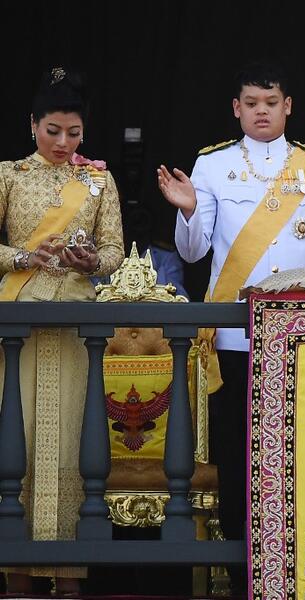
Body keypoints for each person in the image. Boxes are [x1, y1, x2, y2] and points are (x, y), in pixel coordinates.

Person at [157, 59, 305, 595]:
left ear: (288, 106)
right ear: (236, 109)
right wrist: (189, 211)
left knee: (301, 455)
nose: (261, 113)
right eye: (251, 105)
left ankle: (302, 568)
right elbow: (194, 251)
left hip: (298, 340)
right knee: (239, 457)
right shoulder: (212, 166)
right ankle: (244, 574)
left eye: (271, 104)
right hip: (236, 338)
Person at [0, 66, 124, 595]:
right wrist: (25, 255)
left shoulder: (98, 180)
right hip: (17, 319)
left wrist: (89, 259)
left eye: (73, 133)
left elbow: (115, 253)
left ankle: (70, 575)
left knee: (72, 442)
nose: (62, 142)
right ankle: (17, 572)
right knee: (17, 441)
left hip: (76, 321)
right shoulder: (9, 175)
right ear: (32, 125)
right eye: (53, 130)